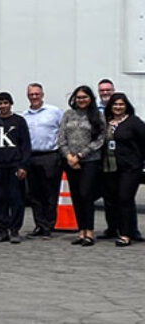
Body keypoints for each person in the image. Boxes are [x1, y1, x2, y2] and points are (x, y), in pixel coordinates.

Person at [58, 85, 105, 247]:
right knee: (76, 196)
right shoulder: (68, 115)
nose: (81, 100)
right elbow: (61, 137)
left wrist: (80, 155)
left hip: (90, 160)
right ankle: (81, 231)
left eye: (84, 97)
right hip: (70, 160)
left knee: (86, 194)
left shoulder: (97, 115)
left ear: (90, 98)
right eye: (78, 97)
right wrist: (69, 156)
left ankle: (90, 232)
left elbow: (100, 139)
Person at [0, 92, 31, 244]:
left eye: (6, 103)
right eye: (0, 103)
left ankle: (15, 229)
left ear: (11, 104)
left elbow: (25, 145)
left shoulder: (19, 121)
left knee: (16, 199)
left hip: (14, 165)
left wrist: (23, 165)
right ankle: (3, 229)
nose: (3, 106)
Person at [102, 93, 145, 246]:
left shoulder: (134, 122)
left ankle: (126, 234)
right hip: (110, 168)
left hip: (130, 168)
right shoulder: (106, 122)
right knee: (112, 199)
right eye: (115, 105)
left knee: (125, 198)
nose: (118, 107)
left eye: (121, 104)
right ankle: (116, 229)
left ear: (126, 106)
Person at [22, 83, 64, 238]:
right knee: (34, 194)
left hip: (50, 156)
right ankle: (39, 225)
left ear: (42, 95)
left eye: (36, 94)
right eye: (31, 94)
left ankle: (49, 225)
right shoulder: (24, 115)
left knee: (50, 193)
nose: (34, 97)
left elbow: (63, 131)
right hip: (31, 156)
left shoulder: (54, 112)